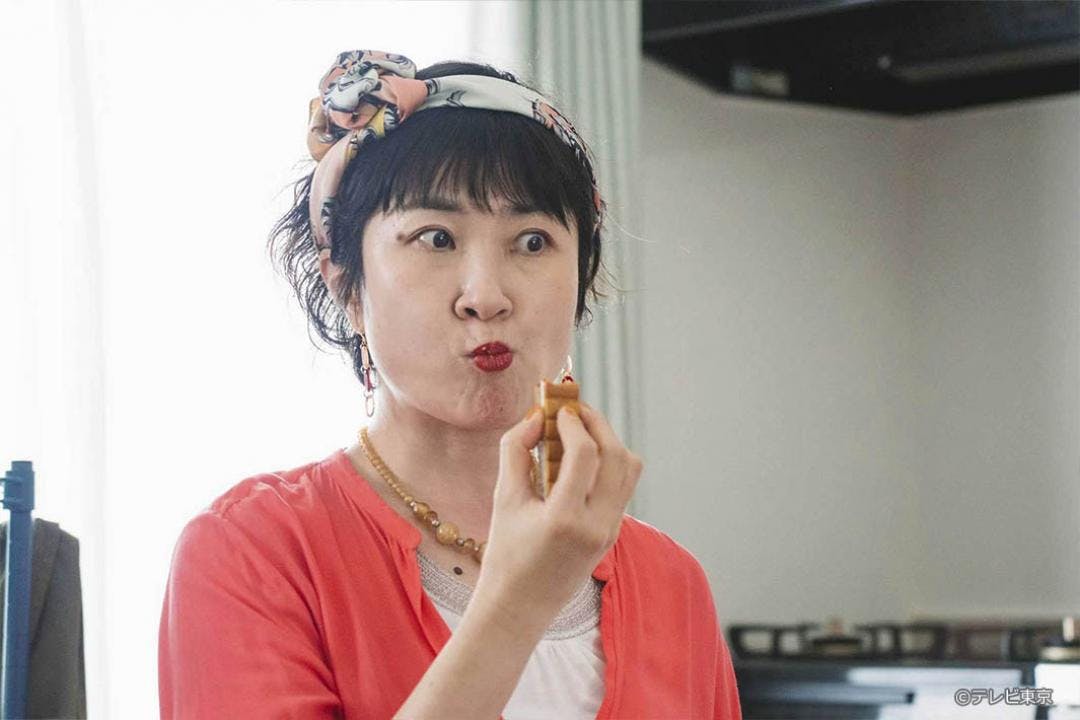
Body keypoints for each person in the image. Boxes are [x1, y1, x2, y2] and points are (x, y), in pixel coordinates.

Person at [157, 49, 742, 719]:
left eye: (532, 242)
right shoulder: (252, 550)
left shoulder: (671, 581)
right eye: (436, 238)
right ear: (346, 283)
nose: (486, 296)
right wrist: (520, 599)